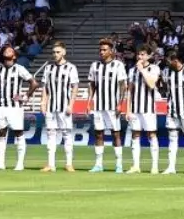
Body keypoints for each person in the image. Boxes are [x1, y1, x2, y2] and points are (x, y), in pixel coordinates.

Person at [0, 46, 37, 171]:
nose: (8, 51)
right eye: (6, 50)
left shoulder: (19, 69)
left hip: (15, 108)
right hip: (1, 106)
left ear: (14, 56)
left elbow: (34, 83)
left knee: (18, 133)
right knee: (0, 134)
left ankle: (20, 163)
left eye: (10, 50)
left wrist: (25, 96)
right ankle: (0, 163)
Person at [36, 42, 79, 173]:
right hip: (51, 107)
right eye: (54, 52)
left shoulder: (71, 68)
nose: (55, 54)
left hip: (64, 107)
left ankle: (69, 163)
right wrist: (43, 103)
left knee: (66, 134)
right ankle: (51, 164)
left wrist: (71, 105)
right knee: (51, 134)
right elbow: (45, 88)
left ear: (64, 52)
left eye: (58, 52)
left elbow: (75, 88)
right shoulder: (48, 68)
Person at [88, 40, 127, 173]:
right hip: (98, 106)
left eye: (104, 50)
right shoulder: (95, 65)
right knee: (98, 133)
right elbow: (92, 85)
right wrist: (89, 102)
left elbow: (123, 86)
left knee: (115, 133)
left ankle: (119, 165)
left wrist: (121, 104)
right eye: (100, 50)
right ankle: (98, 164)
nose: (102, 52)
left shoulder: (118, 65)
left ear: (111, 51)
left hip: (112, 106)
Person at [126, 46, 161, 174]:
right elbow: (130, 90)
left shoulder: (154, 68)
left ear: (148, 56)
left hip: (149, 108)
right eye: (138, 54)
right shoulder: (132, 71)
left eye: (142, 54)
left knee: (151, 134)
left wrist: (142, 70)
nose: (140, 57)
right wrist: (128, 110)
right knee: (135, 135)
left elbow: (152, 84)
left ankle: (155, 166)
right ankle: (136, 166)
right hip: (135, 108)